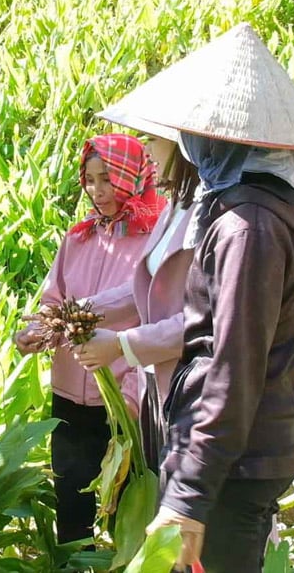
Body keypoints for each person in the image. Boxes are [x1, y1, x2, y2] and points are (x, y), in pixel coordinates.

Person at [137, 24, 294, 572]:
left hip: (234, 463)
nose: (165, 155)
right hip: (240, 453)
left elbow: (234, 368)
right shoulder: (254, 212)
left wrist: (188, 496)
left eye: (178, 138)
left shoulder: (247, 228)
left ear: (217, 142)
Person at [14, 133, 164, 545]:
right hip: (68, 392)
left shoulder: (155, 239)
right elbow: (54, 301)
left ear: (134, 176)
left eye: (108, 179)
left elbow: (148, 309)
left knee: (122, 505)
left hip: (121, 397)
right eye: (91, 179)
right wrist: (35, 333)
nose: (97, 191)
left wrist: (132, 395)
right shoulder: (78, 237)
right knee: (71, 498)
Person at [68, 125, 199, 472]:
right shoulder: (178, 207)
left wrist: (123, 346)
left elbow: (205, 319)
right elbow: (144, 289)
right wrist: (82, 311)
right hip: (158, 384)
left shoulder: (207, 216)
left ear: (182, 147)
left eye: (154, 141)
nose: (150, 155)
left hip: (191, 385)